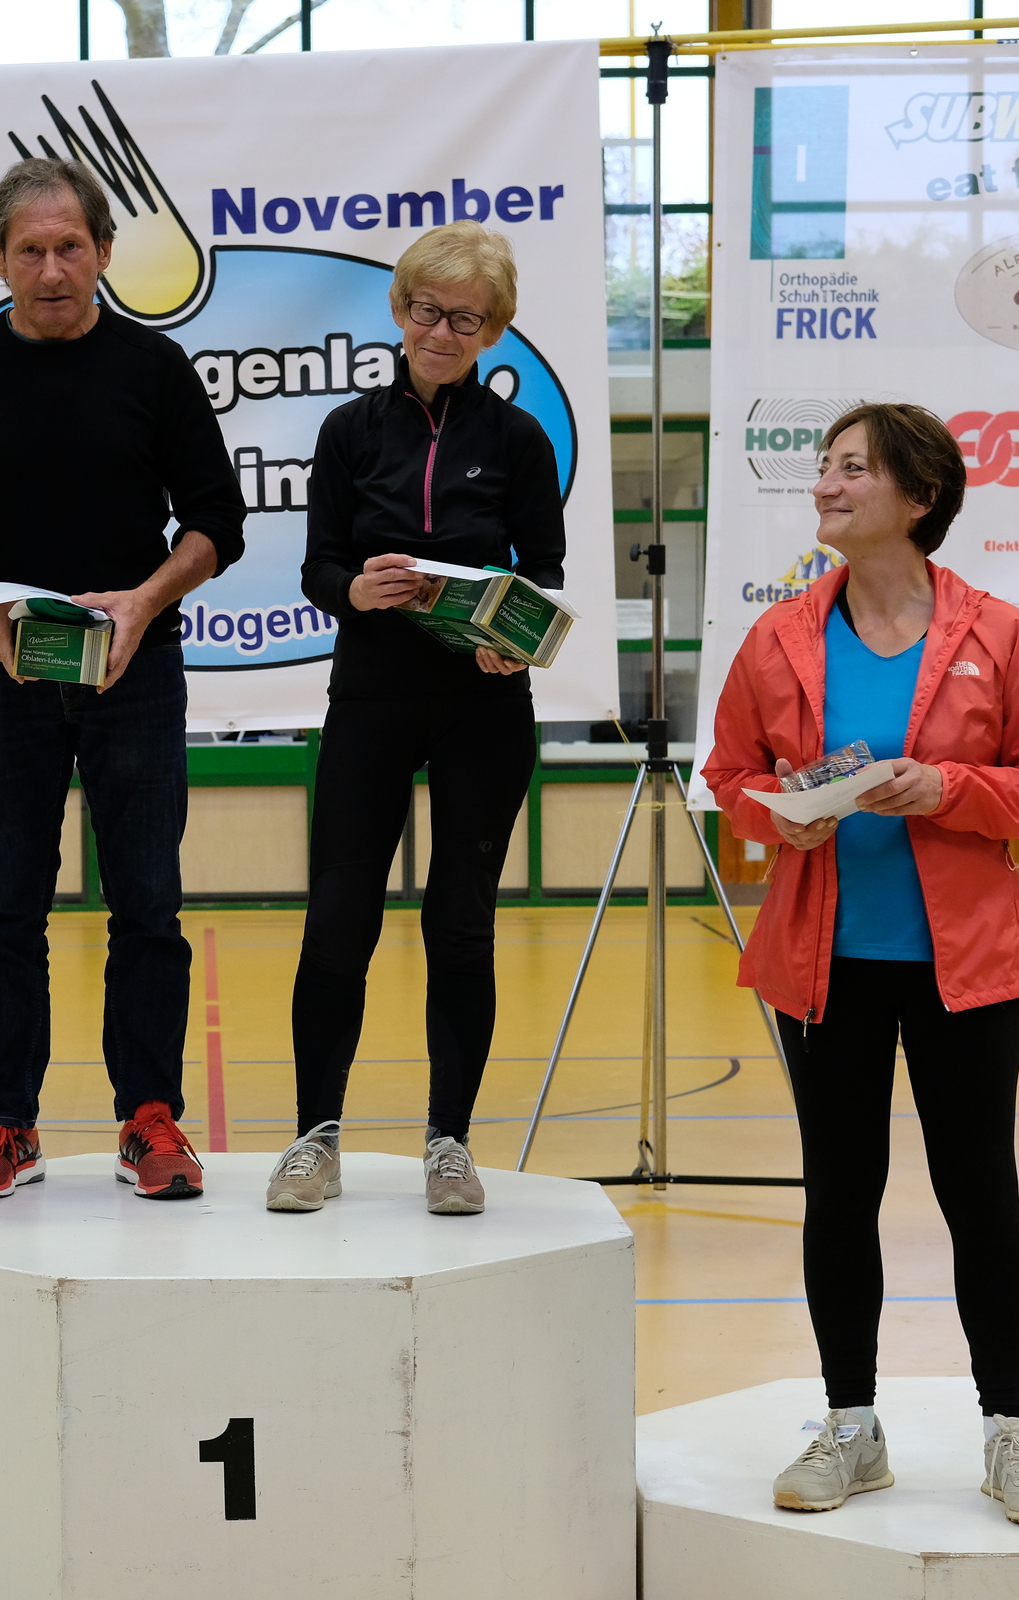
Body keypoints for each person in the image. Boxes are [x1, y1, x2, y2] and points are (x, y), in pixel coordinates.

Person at [700, 403, 1019, 1525]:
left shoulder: (999, 634)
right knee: (839, 1193)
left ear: (919, 498)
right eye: (825, 466)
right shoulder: (777, 637)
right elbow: (730, 777)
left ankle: (1010, 1428)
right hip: (823, 966)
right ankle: (851, 1426)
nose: (826, 484)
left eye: (853, 468)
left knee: (980, 1193)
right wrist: (779, 814)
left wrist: (949, 787)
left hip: (965, 966)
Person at [0, 157, 247, 1200]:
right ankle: (7, 1123)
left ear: (104, 252)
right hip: (5, 669)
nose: (52, 269)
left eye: (71, 247)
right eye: (31, 250)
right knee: (9, 907)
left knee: (148, 905)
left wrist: (144, 600)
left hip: (135, 668)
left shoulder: (155, 368)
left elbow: (217, 520)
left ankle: (149, 1119)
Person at [264, 222, 565, 1218]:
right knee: (338, 919)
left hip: (484, 701)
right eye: (428, 311)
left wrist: (513, 638)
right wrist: (355, 589)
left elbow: (543, 573)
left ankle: (450, 1144)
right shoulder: (349, 431)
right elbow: (318, 565)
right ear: (399, 311)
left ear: (495, 330)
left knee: (460, 923)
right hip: (372, 697)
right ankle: (315, 1139)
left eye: (466, 319)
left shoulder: (518, 440)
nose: (442, 332)